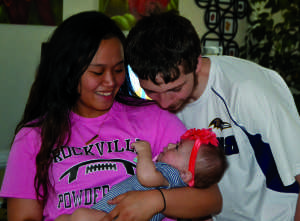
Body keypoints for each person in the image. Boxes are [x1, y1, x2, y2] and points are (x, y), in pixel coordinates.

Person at [0, 11, 223, 221]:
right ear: (67, 71)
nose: (110, 82)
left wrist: (157, 201)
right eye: (97, 72)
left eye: (118, 70)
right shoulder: (33, 137)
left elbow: (212, 199)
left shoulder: (153, 117)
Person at [125, 10, 300, 221]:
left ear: (196, 64)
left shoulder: (248, 92)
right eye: (152, 92)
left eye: (175, 89)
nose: (165, 103)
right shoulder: (155, 106)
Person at [55, 128, 228, 221]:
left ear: (185, 174)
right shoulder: (173, 176)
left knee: (79, 216)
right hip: (112, 212)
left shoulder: (171, 175)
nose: (168, 145)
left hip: (117, 215)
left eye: (176, 148)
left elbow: (146, 178)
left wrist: (144, 152)